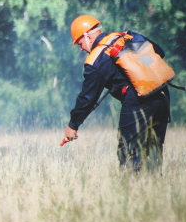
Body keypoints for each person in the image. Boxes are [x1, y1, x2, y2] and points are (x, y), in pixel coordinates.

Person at [61, 15, 171, 172]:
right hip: (162, 93)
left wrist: (73, 125)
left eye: (80, 43)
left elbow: (87, 98)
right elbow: (159, 52)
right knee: (153, 151)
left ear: (88, 36)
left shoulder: (97, 58)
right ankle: (154, 189)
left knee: (128, 151)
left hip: (138, 100)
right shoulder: (128, 35)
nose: (81, 48)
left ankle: (131, 190)